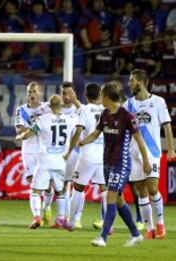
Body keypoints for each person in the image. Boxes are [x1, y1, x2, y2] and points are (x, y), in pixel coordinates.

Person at [79, 82, 151, 247]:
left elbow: (140, 141)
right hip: (107, 163)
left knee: (110, 196)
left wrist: (146, 162)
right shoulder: (104, 114)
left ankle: (103, 237)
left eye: (102, 95)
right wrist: (81, 142)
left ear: (107, 97)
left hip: (121, 164)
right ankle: (135, 234)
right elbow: (96, 133)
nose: (100, 98)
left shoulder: (128, 116)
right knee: (118, 201)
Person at [125, 69, 176, 239]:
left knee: (153, 187)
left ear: (141, 82)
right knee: (141, 191)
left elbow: (167, 126)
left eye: (132, 81)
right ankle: (150, 228)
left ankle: (161, 224)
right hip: (134, 152)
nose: (129, 84)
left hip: (152, 151)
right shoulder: (128, 104)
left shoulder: (158, 101)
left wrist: (171, 149)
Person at [16, 94, 76, 229]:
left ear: (49, 106)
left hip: (44, 161)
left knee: (36, 190)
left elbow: (29, 133)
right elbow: (78, 129)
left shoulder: (43, 120)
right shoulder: (70, 120)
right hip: (60, 161)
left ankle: (37, 216)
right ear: (60, 105)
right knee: (60, 191)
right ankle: (61, 218)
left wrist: (20, 136)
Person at [63, 83, 107, 231]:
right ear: (99, 95)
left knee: (77, 188)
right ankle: (107, 223)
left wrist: (70, 150)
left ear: (86, 95)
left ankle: (70, 222)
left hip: (87, 155)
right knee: (105, 189)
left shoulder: (84, 110)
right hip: (103, 156)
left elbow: (78, 130)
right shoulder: (106, 110)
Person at [14, 82, 52, 225]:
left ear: (40, 93)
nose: (32, 94)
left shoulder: (47, 108)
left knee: (48, 185)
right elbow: (19, 130)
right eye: (29, 92)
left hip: (45, 150)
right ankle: (36, 217)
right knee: (33, 183)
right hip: (29, 150)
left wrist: (31, 129)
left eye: (34, 91)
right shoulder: (21, 110)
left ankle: (46, 208)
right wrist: (37, 127)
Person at [58, 82, 82, 228]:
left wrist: (76, 102)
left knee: (78, 185)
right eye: (63, 93)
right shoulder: (54, 109)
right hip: (61, 154)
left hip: (76, 153)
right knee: (62, 185)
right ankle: (65, 217)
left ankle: (77, 218)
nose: (66, 96)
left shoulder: (79, 110)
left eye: (69, 93)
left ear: (74, 94)